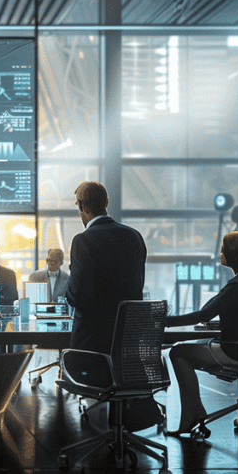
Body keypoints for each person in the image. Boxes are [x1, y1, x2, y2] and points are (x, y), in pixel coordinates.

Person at [65, 181, 156, 431]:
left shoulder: (83, 240)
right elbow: (136, 291)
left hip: (92, 356)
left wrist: (68, 289)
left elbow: (78, 296)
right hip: (130, 355)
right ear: (106, 203)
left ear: (81, 206)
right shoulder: (134, 236)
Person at [163, 231, 238, 436]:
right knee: (186, 349)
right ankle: (194, 412)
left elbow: (203, 315)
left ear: (232, 255)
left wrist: (165, 321)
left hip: (236, 352)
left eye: (222, 249)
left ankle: (193, 413)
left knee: (178, 353)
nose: (219, 253)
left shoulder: (236, 285)